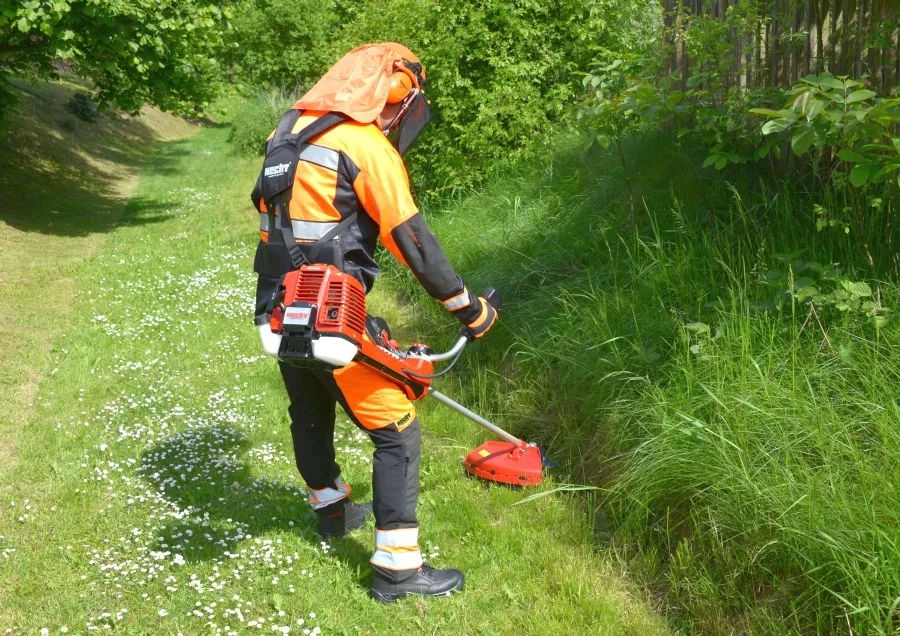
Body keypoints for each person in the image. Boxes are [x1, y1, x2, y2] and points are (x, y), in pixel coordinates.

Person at [249, 43, 497, 603]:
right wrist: (468, 308)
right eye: (403, 100)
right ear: (390, 92)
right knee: (397, 429)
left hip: (275, 304)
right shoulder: (362, 144)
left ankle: (331, 510)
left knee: (309, 408)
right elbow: (411, 238)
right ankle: (398, 570)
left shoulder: (284, 134)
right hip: (332, 311)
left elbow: (274, 217)